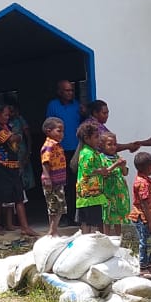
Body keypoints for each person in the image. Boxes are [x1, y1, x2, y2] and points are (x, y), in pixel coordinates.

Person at [0, 103, 38, 237]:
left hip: (13, 166)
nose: (7, 117)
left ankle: (25, 227)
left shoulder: (5, 127)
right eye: (5, 115)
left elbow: (17, 137)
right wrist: (15, 136)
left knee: (19, 197)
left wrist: (16, 136)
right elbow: (13, 138)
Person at [45, 80, 83, 225]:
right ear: (59, 92)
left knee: (74, 184)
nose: (70, 93)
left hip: (75, 151)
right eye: (67, 90)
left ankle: (73, 217)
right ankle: (62, 218)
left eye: (71, 90)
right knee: (60, 185)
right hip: (58, 152)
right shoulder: (53, 106)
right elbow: (48, 127)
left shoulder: (77, 106)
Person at [128, 150, 151, 278]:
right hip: (143, 218)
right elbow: (144, 203)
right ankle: (143, 267)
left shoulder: (147, 180)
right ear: (147, 167)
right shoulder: (142, 183)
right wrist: (150, 220)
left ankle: (149, 266)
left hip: (148, 217)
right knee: (145, 242)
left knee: (149, 242)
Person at [73, 120, 109, 234]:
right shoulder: (88, 153)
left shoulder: (92, 152)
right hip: (90, 195)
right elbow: (87, 170)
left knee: (88, 222)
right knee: (91, 222)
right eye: (96, 137)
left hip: (90, 195)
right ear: (87, 138)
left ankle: (88, 240)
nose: (99, 139)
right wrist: (100, 171)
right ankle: (89, 240)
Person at [38, 117, 68, 238]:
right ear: (48, 131)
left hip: (58, 181)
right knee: (55, 205)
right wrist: (47, 177)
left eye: (63, 131)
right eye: (59, 131)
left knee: (58, 206)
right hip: (52, 181)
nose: (62, 134)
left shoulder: (57, 145)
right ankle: (52, 230)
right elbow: (45, 161)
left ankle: (53, 229)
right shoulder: (49, 145)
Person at [100, 132, 131, 236]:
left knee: (118, 216)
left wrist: (123, 166)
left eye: (115, 144)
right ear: (102, 145)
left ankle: (118, 237)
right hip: (108, 191)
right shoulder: (101, 158)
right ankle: (107, 237)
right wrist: (116, 165)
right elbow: (104, 173)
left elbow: (125, 173)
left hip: (119, 191)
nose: (113, 147)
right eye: (109, 144)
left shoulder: (117, 157)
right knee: (107, 215)